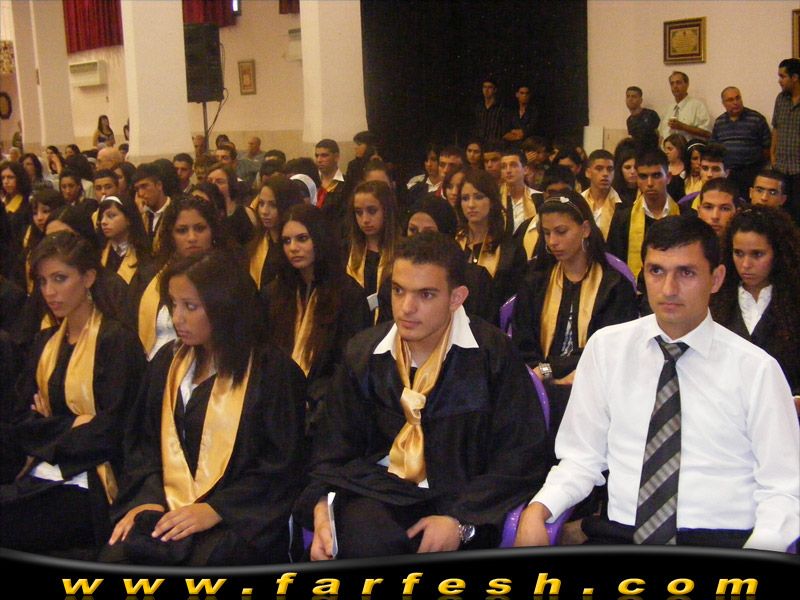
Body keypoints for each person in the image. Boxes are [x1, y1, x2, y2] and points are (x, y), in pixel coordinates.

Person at [515, 216, 799, 551]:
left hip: (721, 539)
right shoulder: (607, 349)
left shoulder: (756, 369)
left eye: (686, 273)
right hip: (622, 534)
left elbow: (783, 488)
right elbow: (581, 458)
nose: (668, 289)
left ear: (716, 278)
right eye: (656, 271)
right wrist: (539, 509)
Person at [296, 232, 550, 559]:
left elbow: (520, 456)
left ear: (456, 298)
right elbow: (332, 448)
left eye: (426, 294)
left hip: (463, 500)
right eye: (398, 290)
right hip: (377, 493)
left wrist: (461, 520)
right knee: (367, 540)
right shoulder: (364, 354)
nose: (406, 308)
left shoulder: (493, 356)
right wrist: (322, 504)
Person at [104, 250, 307, 565]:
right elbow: (143, 448)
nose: (177, 318)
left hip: (239, 520)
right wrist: (146, 501)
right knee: (115, 558)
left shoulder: (272, 373)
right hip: (166, 509)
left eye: (190, 306)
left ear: (225, 306)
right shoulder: (166, 364)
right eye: (173, 304)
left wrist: (218, 509)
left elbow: (282, 466)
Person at [1, 231, 144, 555]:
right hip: (40, 472)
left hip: (92, 483)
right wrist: (73, 423)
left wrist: (49, 428)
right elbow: (20, 421)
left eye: (60, 279)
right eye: (43, 281)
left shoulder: (116, 342)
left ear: (88, 278)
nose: (49, 292)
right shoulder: (45, 342)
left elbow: (112, 430)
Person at [512, 191, 638, 437]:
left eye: (561, 232)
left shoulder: (614, 287)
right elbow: (522, 342)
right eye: (546, 233)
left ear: (585, 229)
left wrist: (549, 370)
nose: (552, 242)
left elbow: (607, 350)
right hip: (539, 385)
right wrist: (542, 373)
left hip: (594, 385)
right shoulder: (535, 283)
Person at [264, 203, 370, 416]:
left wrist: (314, 398)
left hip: (323, 408)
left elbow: (351, 364)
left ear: (319, 239)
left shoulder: (349, 295)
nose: (293, 248)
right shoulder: (274, 293)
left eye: (302, 239)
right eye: (286, 241)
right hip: (276, 402)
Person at [710, 205, 800, 407]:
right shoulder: (713, 300)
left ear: (778, 253)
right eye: (738, 253)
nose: (745, 265)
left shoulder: (794, 302)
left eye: (757, 254)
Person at [137, 195, 234, 361]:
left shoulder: (231, 277)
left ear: (213, 232)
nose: (192, 238)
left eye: (200, 228)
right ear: (171, 236)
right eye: (182, 230)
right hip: (156, 365)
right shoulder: (150, 277)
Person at [406, 194, 496, 324]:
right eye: (413, 230)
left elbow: (485, 331)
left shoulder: (475, 281)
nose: (419, 238)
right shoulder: (395, 278)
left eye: (428, 232)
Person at [455, 169, 526, 307]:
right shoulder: (453, 244)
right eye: (465, 198)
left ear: (492, 201)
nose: (471, 205)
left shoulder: (510, 250)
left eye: (478, 197)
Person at [607, 149, 681, 279]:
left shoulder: (685, 216)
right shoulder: (622, 218)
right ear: (637, 179)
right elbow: (614, 265)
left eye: (656, 176)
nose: (650, 183)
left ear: (668, 177)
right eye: (643, 176)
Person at [346, 180, 401, 323]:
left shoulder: (402, 252)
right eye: (359, 212)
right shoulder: (346, 251)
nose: (365, 219)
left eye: (372, 211)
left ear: (386, 211)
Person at [710, 86, 771, 199]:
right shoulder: (719, 122)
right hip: (728, 173)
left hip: (752, 172)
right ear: (723, 103)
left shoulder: (756, 119)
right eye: (730, 100)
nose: (735, 102)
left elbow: (767, 147)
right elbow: (714, 148)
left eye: (738, 98)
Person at [248, 174, 302, 292]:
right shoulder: (257, 242)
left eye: (273, 205)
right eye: (261, 204)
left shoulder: (296, 247)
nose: (264, 211)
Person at [96, 194, 151, 289]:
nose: (103, 222)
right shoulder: (98, 252)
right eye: (101, 217)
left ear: (128, 219)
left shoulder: (143, 254)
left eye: (111, 216)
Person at [771, 58, 800, 224]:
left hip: (798, 168)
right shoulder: (781, 99)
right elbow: (776, 127)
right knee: (780, 213)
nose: (779, 81)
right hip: (781, 167)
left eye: (783, 76)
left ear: (794, 77)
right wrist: (773, 155)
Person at [206, 162, 257, 246]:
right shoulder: (203, 214)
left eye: (219, 182)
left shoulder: (246, 213)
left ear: (231, 184)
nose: (213, 185)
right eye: (209, 181)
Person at [658, 71, 712, 141]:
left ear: (687, 84)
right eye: (672, 83)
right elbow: (661, 134)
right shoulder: (668, 109)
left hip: (689, 147)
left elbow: (707, 133)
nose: (675, 86)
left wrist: (683, 127)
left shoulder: (697, 106)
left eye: (678, 83)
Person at [581, 149, 622, 240]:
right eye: (599, 169)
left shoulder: (623, 205)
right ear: (588, 173)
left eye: (610, 169)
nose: (605, 174)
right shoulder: (578, 201)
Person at [499, 147, 541, 235]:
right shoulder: (496, 199)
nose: (508, 170)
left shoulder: (538, 198)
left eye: (513, 165)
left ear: (525, 170)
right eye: (503, 167)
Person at [132, 163, 171, 247]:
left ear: (159, 185)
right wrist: (137, 216)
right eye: (137, 189)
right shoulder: (142, 214)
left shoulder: (177, 210)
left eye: (144, 186)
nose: (140, 193)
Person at [1, 160, 32, 249]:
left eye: (10, 177)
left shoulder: (27, 206)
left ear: (20, 178)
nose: (6, 182)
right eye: (3, 178)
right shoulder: (3, 203)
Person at [472, 77, 510, 145]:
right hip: (480, 144)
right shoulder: (479, 108)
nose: (486, 90)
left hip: (495, 145)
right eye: (484, 87)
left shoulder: (501, 108)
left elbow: (505, 130)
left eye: (489, 87)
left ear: (495, 90)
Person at [611, 141, 639, 208]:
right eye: (627, 167)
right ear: (620, 169)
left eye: (636, 167)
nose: (632, 172)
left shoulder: (645, 193)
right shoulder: (612, 193)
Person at [662, 134, 687, 202]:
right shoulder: (662, 168)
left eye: (670, 149)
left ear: (680, 150)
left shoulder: (688, 169)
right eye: (665, 149)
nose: (666, 152)